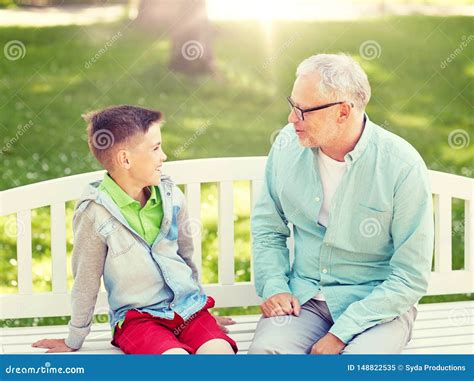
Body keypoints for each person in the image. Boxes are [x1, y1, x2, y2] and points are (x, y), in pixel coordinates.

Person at [248, 53, 434, 354]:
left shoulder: (402, 167)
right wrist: (275, 286)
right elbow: (268, 227)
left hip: (376, 308)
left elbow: (410, 276)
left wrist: (340, 335)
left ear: (344, 112)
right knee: (265, 357)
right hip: (304, 300)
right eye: (292, 105)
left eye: (303, 110)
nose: (291, 119)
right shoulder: (286, 145)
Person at [32, 105, 237, 354]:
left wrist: (199, 308)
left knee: (220, 353)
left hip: (186, 310)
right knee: (175, 360)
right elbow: (86, 280)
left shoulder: (171, 196)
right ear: (125, 159)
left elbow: (185, 258)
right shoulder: (95, 212)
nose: (164, 157)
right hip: (138, 320)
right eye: (155, 148)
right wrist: (74, 338)